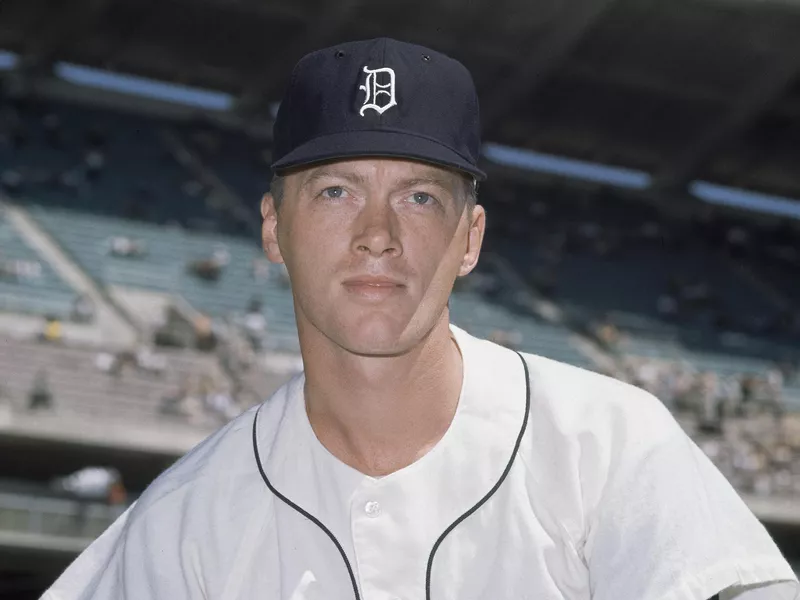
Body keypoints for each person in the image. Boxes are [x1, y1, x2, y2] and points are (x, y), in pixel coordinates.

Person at [44, 38, 797, 600]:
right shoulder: (184, 523)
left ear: (470, 239)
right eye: (336, 191)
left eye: (420, 196)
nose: (378, 233)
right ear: (273, 230)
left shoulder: (608, 447)